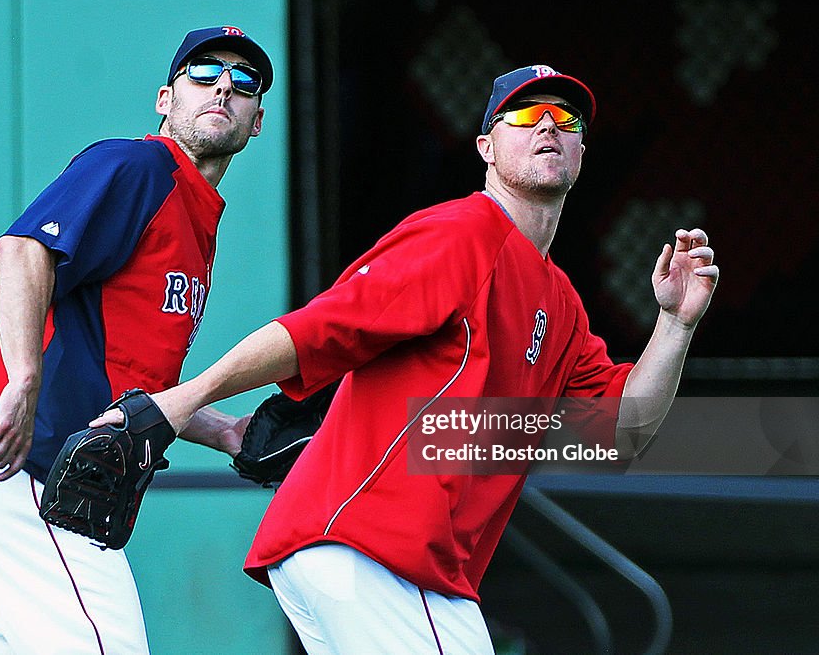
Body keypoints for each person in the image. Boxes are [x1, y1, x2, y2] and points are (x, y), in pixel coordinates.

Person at [93, 64, 719, 653]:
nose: (549, 125)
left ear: (583, 152)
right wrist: (182, 403)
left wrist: (674, 323)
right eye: (524, 117)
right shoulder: (463, 234)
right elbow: (318, 328)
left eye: (566, 118)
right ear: (486, 149)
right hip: (370, 548)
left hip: (402, 571)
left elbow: (623, 432)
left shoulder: (561, 305)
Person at [0, 26, 274, 654]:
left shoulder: (195, 219)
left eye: (242, 81)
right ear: (165, 98)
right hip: (28, 471)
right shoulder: (140, 166)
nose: (222, 86)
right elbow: (23, 250)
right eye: (203, 73)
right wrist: (23, 377)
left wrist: (223, 431)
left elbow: (127, 375)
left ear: (256, 121)